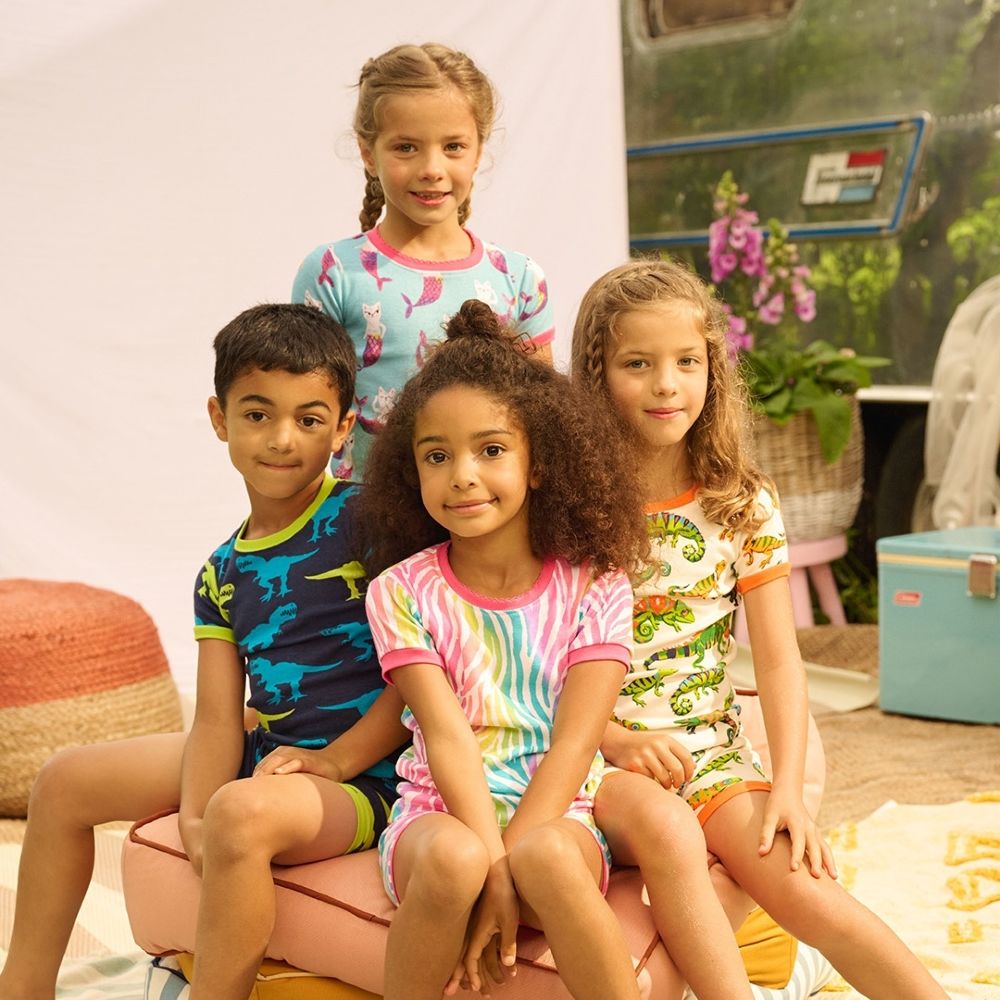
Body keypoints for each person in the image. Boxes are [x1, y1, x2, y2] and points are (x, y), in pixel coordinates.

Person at [0, 304, 409, 1000]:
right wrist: (193, 813)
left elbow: (420, 672)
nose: (282, 439)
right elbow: (220, 718)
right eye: (257, 414)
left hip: (370, 780)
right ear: (219, 418)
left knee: (238, 814)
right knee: (64, 781)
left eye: (309, 419)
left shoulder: (365, 520)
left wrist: (326, 765)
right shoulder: (220, 572)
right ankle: (23, 987)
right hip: (273, 750)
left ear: (343, 427)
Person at [571, 258, 949, 999]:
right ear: (595, 374)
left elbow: (779, 661)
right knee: (660, 852)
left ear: (713, 370)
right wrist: (613, 742)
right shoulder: (566, 509)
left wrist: (783, 790)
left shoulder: (742, 503)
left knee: (812, 895)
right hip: (593, 764)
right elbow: (539, 662)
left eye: (687, 362)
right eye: (637, 364)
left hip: (710, 756)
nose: (666, 385)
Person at [356, 299, 648, 1000]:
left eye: (491, 450)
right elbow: (447, 737)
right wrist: (491, 868)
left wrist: (516, 861)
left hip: (562, 815)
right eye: (437, 455)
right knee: (456, 858)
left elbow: (576, 745)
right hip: (440, 814)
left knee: (547, 855)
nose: (462, 474)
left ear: (539, 463)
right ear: (412, 470)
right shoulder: (400, 591)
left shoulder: (598, 586)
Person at [292, 42, 554, 482]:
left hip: (482, 520)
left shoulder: (519, 279)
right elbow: (303, 417)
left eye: (453, 146)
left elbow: (543, 421)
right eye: (407, 147)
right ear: (366, 152)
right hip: (367, 527)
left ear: (479, 151)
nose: (432, 168)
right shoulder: (333, 273)